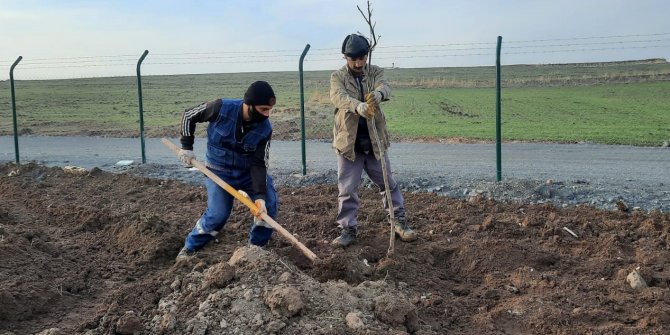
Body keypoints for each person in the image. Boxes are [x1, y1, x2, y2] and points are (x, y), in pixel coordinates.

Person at [328, 33, 417, 247]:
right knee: (347, 189)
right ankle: (348, 229)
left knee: (388, 184)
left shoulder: (374, 72)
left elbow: (385, 86)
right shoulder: (337, 77)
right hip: (349, 145)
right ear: (345, 58)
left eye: (362, 58)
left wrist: (378, 94)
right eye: (354, 59)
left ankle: (398, 222)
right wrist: (356, 105)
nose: (359, 63)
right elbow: (337, 96)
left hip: (375, 142)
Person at [176, 81, 278, 259]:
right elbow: (188, 115)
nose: (267, 114)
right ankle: (190, 248)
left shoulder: (265, 129)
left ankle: (255, 249)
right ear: (250, 105)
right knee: (217, 215)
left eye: (269, 109)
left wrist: (260, 197)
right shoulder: (221, 108)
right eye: (263, 109)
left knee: (268, 206)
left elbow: (259, 163)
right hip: (218, 171)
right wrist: (187, 146)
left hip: (247, 173)